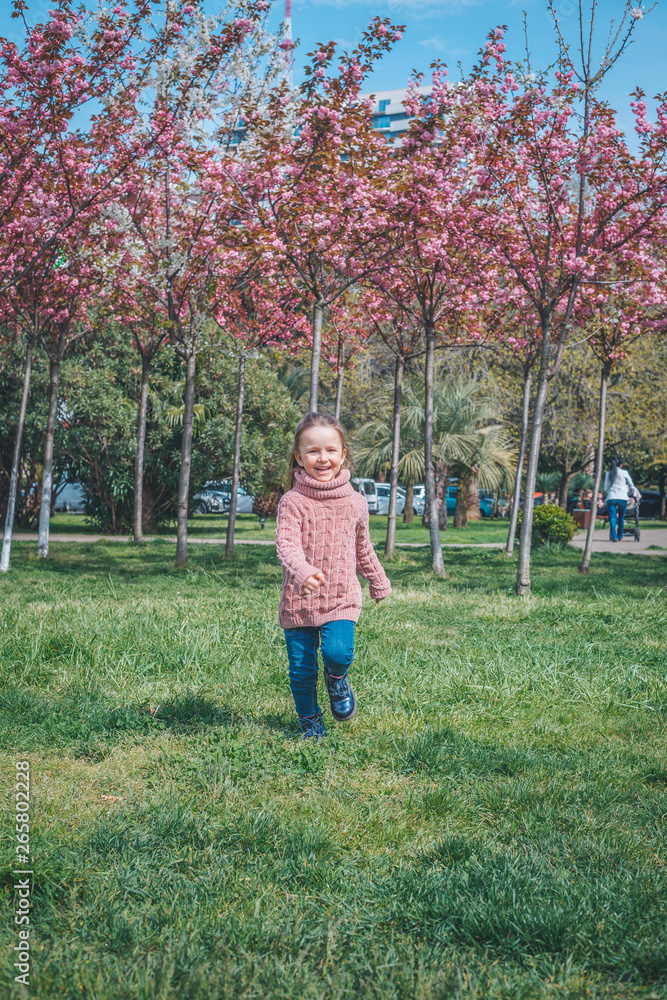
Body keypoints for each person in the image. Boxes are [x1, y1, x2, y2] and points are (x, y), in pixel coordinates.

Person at [276, 412, 392, 741]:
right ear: (299, 457)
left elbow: (362, 547)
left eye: (330, 450)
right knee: (301, 670)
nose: (322, 458)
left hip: (341, 597)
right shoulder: (292, 502)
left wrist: (378, 580)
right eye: (313, 451)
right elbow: (286, 544)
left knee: (338, 653)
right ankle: (310, 721)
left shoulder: (355, 503)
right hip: (299, 602)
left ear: (343, 455)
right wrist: (303, 571)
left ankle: (337, 678)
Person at [603, 459, 640, 542]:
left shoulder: (608, 473)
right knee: (621, 517)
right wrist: (630, 492)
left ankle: (614, 537)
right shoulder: (624, 473)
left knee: (612, 517)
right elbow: (631, 485)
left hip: (611, 497)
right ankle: (620, 535)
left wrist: (610, 491)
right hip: (622, 497)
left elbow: (606, 487)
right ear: (620, 465)